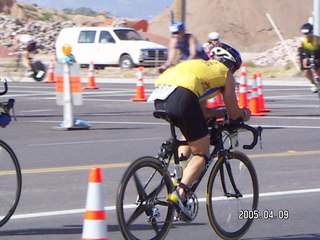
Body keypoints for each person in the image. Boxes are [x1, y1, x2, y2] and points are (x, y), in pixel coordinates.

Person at [148, 43, 251, 220]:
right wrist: (244, 114)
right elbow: (234, 114)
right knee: (202, 153)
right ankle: (179, 194)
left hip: (160, 96)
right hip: (182, 98)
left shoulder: (199, 66)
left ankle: (176, 175)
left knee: (191, 134)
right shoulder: (225, 73)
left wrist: (218, 112)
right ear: (232, 65)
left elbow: (202, 112)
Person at [298, 23, 320, 92]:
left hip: (317, 53)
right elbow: (300, 50)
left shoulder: (317, 39)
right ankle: (313, 83)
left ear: (311, 32)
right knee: (306, 69)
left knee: (317, 66)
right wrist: (304, 58)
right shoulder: (301, 40)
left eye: (307, 33)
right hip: (306, 55)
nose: (306, 35)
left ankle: (318, 76)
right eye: (304, 33)